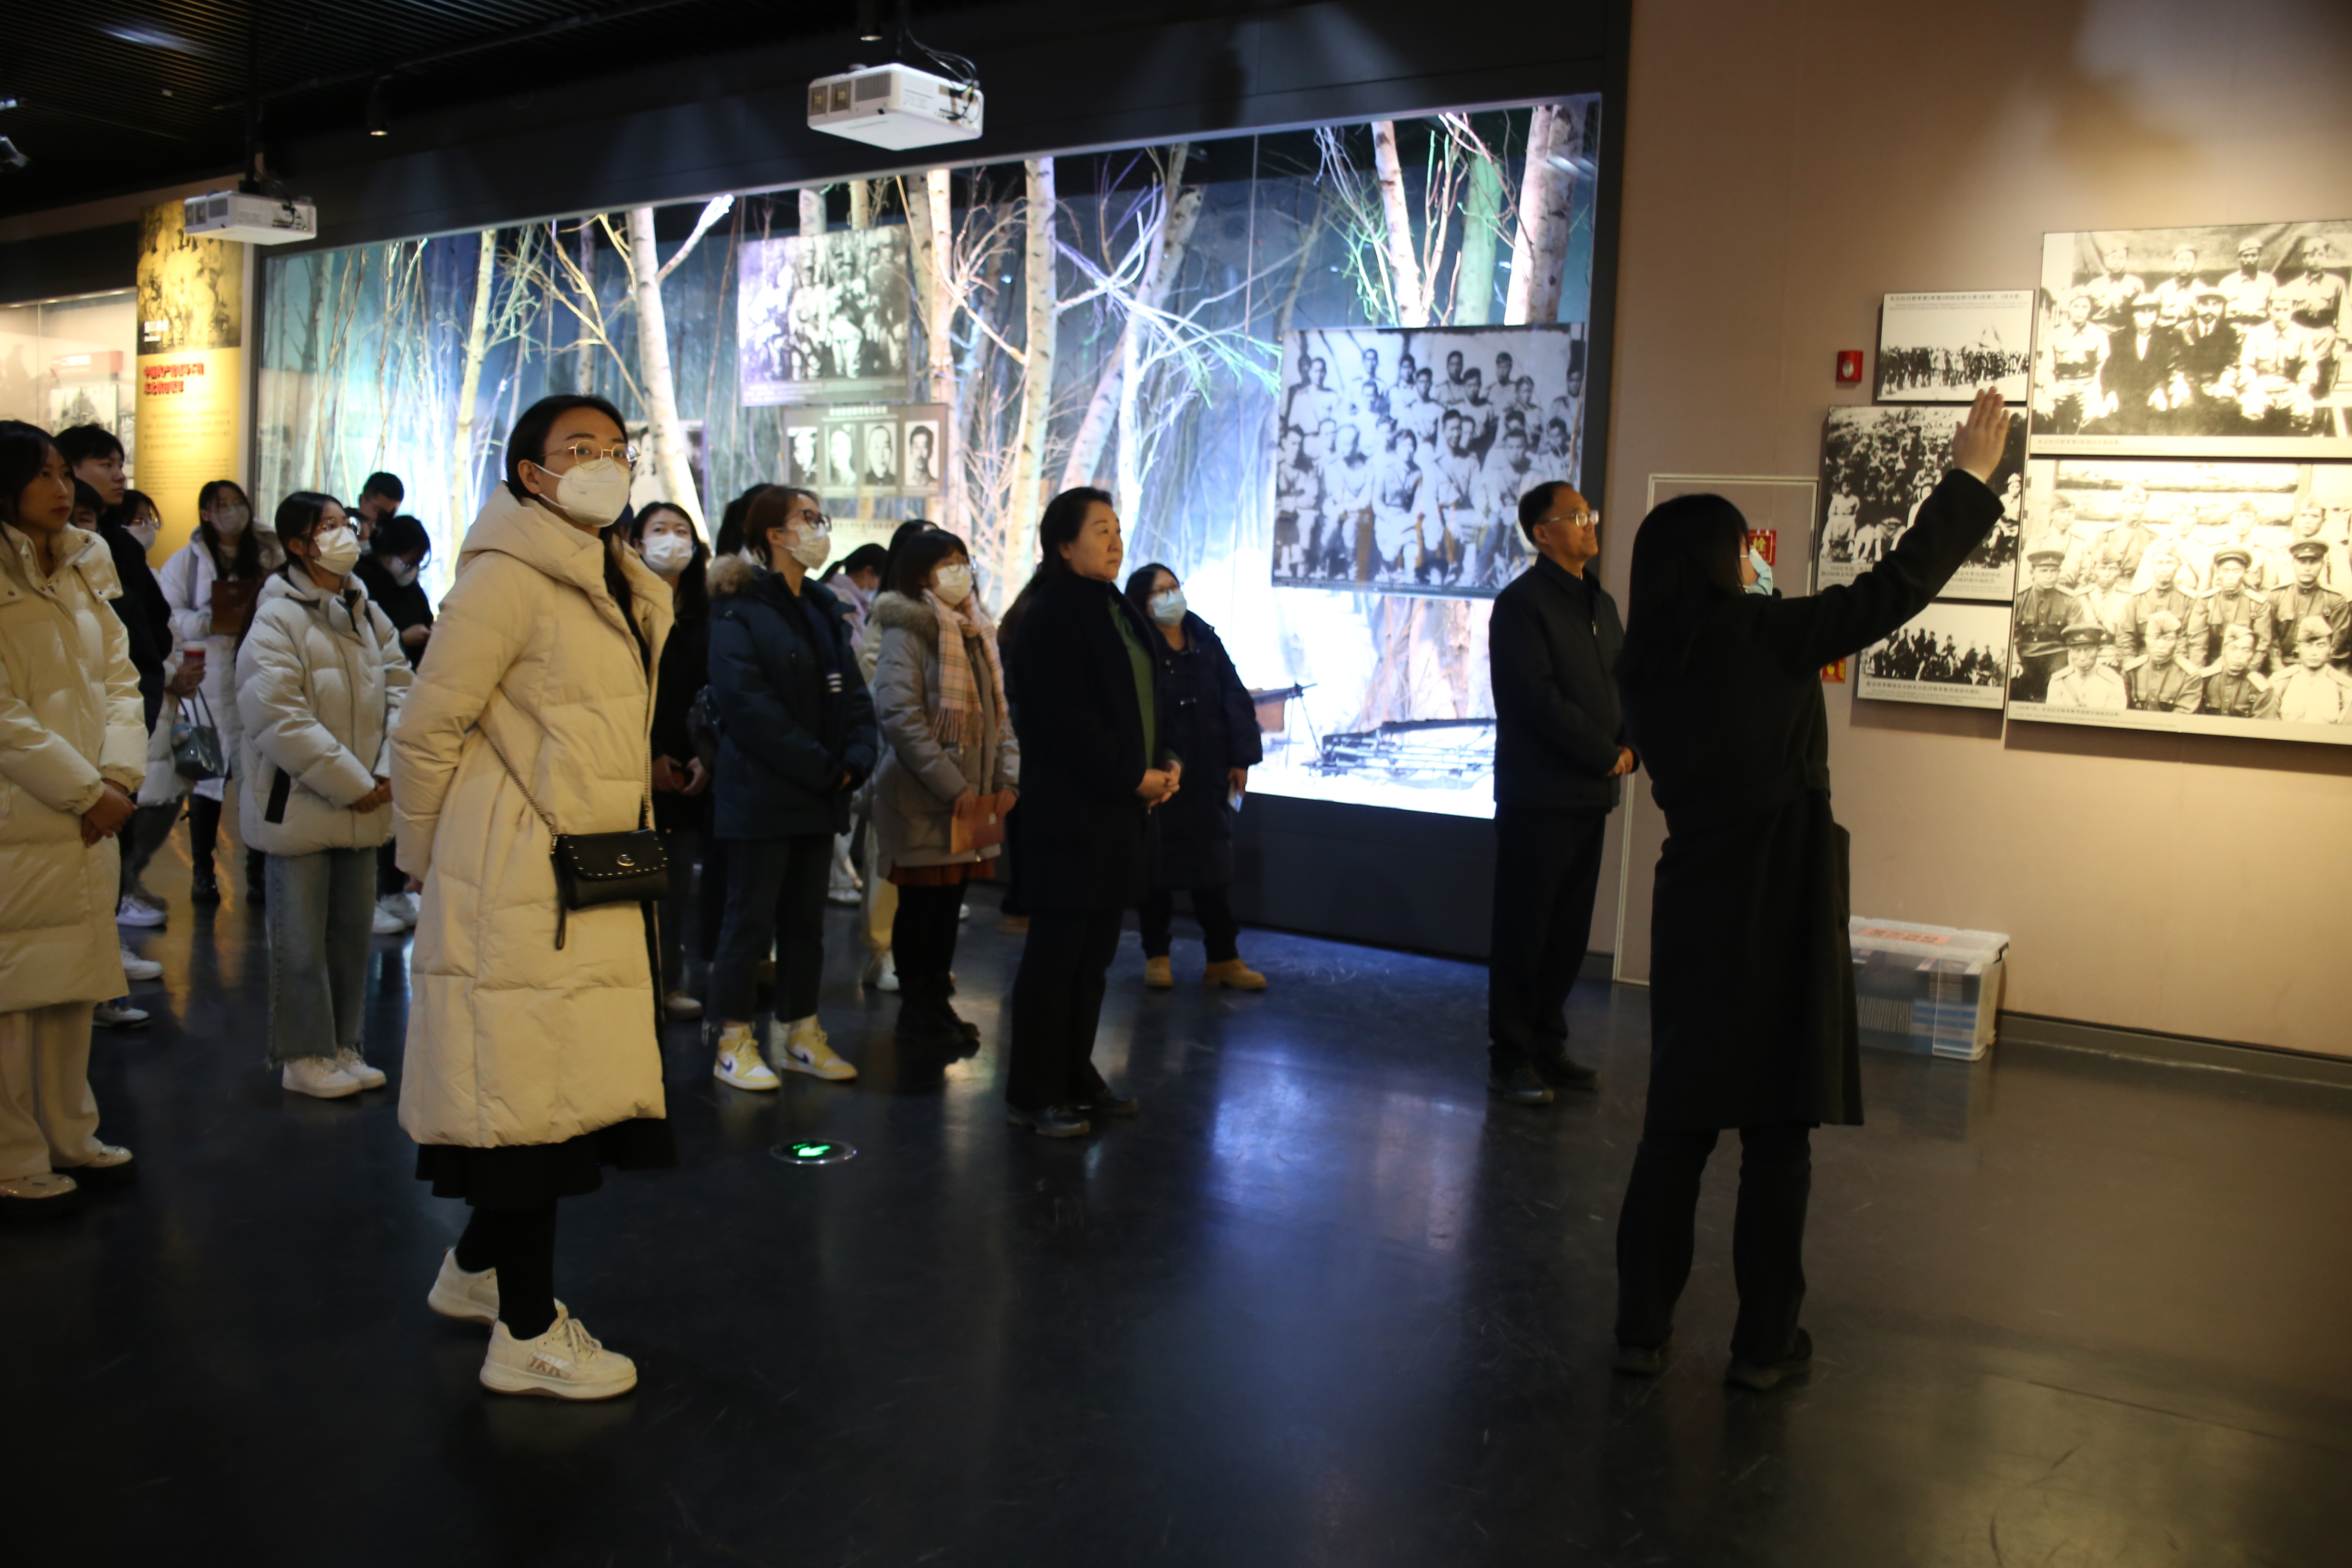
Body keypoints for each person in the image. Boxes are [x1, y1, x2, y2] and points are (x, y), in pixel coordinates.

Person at [1609, 388, 2010, 1391]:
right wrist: (1967, 478)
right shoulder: (1762, 634)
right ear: (1717, 559)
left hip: (1694, 901)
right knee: (1776, 1138)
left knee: (1675, 1130)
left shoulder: (1641, 666)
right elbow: (1896, 586)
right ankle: (1761, 1346)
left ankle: (1640, 1331)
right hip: (1779, 901)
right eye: (1743, 545)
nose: (1755, 559)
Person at [393, 395, 673, 1398]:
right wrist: (424, 859)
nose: (604, 464)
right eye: (578, 449)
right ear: (530, 473)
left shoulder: (612, 575)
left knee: (549, 1089)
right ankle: (525, 1335)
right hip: (514, 870)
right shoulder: (507, 577)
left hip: (584, 866)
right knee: (524, 1105)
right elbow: (426, 728)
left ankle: (475, 1271)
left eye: (616, 449)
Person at [0, 421, 145, 1216]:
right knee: (13, 997)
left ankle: (71, 1133)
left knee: (71, 987)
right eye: (44, 474)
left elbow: (120, 679)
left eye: (65, 473)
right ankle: (13, 1155)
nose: (63, 489)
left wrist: (117, 776)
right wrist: (87, 792)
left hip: (90, 809)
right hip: (24, 813)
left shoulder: (87, 562)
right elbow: (4, 718)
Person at [1001, 487, 1172, 1137]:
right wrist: (1133, 776)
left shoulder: (1115, 605)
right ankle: (1034, 1091)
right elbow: (1066, 722)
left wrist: (1169, 760)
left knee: (1093, 960)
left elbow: (1149, 697)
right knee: (1056, 959)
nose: (1115, 540)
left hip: (1118, 813)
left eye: (1117, 528)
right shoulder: (1051, 614)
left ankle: (1077, 1075)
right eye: (1100, 529)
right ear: (1063, 545)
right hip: (1072, 814)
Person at [237, 492, 410, 1097]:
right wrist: (354, 783)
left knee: (351, 937)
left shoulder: (366, 609)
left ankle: (343, 1044)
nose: (345, 535)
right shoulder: (276, 618)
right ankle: (302, 1055)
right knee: (301, 940)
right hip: (302, 803)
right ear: (298, 546)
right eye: (328, 527)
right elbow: (276, 716)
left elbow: (402, 689)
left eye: (346, 524)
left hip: (367, 801)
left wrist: (385, 771)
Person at [704, 487, 875, 1090]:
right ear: (773, 535)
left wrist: (856, 759)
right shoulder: (738, 608)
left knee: (806, 924)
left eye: (819, 518)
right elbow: (750, 707)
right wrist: (825, 767)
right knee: (748, 922)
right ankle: (732, 1041)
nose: (819, 527)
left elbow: (855, 698)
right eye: (806, 518)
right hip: (762, 793)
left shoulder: (823, 607)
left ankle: (802, 1032)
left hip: (818, 791)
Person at [1483, 481, 1634, 1106]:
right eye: (1574, 516)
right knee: (1526, 930)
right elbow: (1534, 698)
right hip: (1540, 796)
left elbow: (1624, 684)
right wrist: (1605, 753)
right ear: (1542, 534)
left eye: (1588, 512)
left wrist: (1631, 744)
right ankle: (1512, 1057)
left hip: (1590, 796)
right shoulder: (1522, 605)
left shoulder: (1601, 603)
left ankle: (1549, 1043)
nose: (1587, 522)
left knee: (1568, 932)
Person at [870, 529, 1017, 1047]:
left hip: (973, 800)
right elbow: (900, 718)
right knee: (921, 908)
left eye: (963, 561)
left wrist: (1007, 780)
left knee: (949, 907)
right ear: (920, 576)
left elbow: (1000, 717)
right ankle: (916, 1009)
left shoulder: (976, 633)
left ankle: (938, 1002)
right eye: (946, 564)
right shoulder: (906, 632)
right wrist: (955, 787)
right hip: (923, 798)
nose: (960, 572)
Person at [1124, 561, 1264, 992]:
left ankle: (1223, 959)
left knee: (1213, 871)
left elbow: (1234, 697)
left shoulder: (1205, 640)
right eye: (1160, 591)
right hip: (1163, 774)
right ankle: (1157, 956)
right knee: (1157, 871)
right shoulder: (1137, 647)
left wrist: (1241, 758)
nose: (1172, 596)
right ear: (1142, 603)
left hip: (1209, 772)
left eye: (1175, 586)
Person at [158, 477, 278, 906]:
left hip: (255, 675)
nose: (232, 511)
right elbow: (168, 613)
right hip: (204, 687)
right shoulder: (186, 562)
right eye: (221, 505)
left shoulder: (269, 553)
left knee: (258, 782)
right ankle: (203, 872)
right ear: (206, 514)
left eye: (237, 502)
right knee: (205, 781)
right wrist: (209, 621)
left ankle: (258, 872)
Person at [629, 500, 712, 1021]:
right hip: (633, 764)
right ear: (637, 543)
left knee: (677, 886)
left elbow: (717, 691)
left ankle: (668, 983)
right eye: (659, 529)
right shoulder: (624, 607)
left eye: (682, 530)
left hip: (692, 769)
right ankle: (630, 989)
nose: (672, 539)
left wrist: (707, 755)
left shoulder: (707, 614)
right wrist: (651, 754)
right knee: (630, 884)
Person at [352, 513, 437, 933]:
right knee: (373, 798)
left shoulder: (410, 587)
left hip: (410, 696)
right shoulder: (361, 585)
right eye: (408, 559)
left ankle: (392, 888)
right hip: (372, 702)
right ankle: (366, 896)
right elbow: (365, 646)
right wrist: (403, 638)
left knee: (399, 802)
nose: (412, 568)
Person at [2269, 616, 2352, 723]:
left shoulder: (2344, 687)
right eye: (2308, 646)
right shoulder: (2280, 682)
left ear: (2331, 649)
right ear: (2297, 648)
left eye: (2321, 646)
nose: (2314, 653)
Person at [2045, 623, 2128, 709]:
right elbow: (2054, 715)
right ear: (2069, 652)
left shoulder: (2113, 682)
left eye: (2088, 650)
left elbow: (2115, 715)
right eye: (2077, 651)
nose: (2083, 657)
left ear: (2099, 651)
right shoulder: (2058, 681)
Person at [351, 472, 404, 544]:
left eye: (389, 516)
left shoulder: (388, 540)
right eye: (378, 510)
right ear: (362, 500)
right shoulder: (342, 524)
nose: (382, 520)